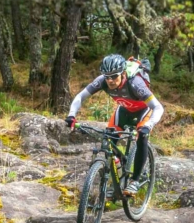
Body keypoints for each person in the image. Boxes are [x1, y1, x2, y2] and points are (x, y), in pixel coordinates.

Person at [65, 53, 163, 197]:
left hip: (143, 112)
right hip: (123, 111)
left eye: (114, 76)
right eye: (107, 76)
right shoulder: (102, 81)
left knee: (142, 136)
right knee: (109, 143)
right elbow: (81, 96)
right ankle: (120, 173)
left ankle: (135, 180)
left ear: (123, 73)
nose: (110, 80)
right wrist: (71, 115)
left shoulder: (136, 83)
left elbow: (158, 107)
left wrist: (148, 125)